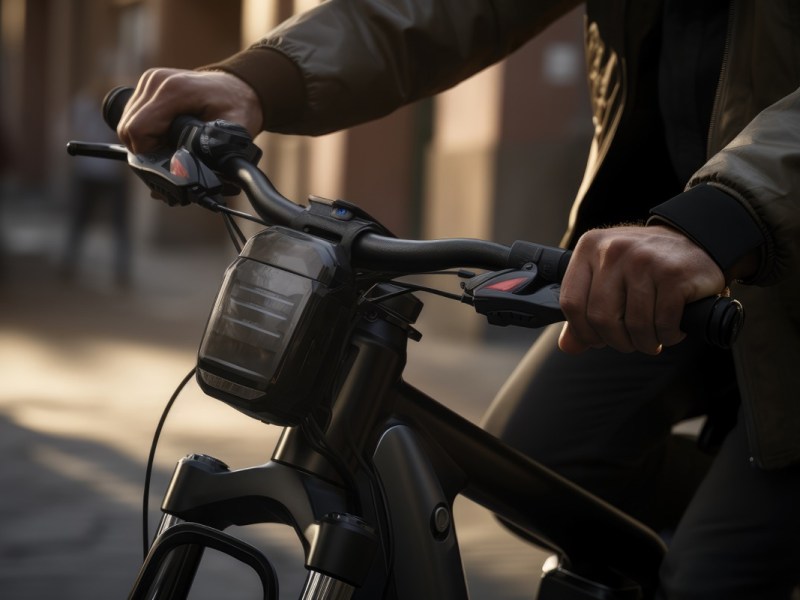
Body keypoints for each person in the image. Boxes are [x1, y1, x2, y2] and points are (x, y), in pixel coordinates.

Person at [116, 1, 800, 597]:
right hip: (652, 264)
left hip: (759, 248)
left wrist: (729, 212)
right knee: (542, 458)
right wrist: (257, 79)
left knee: (711, 578)